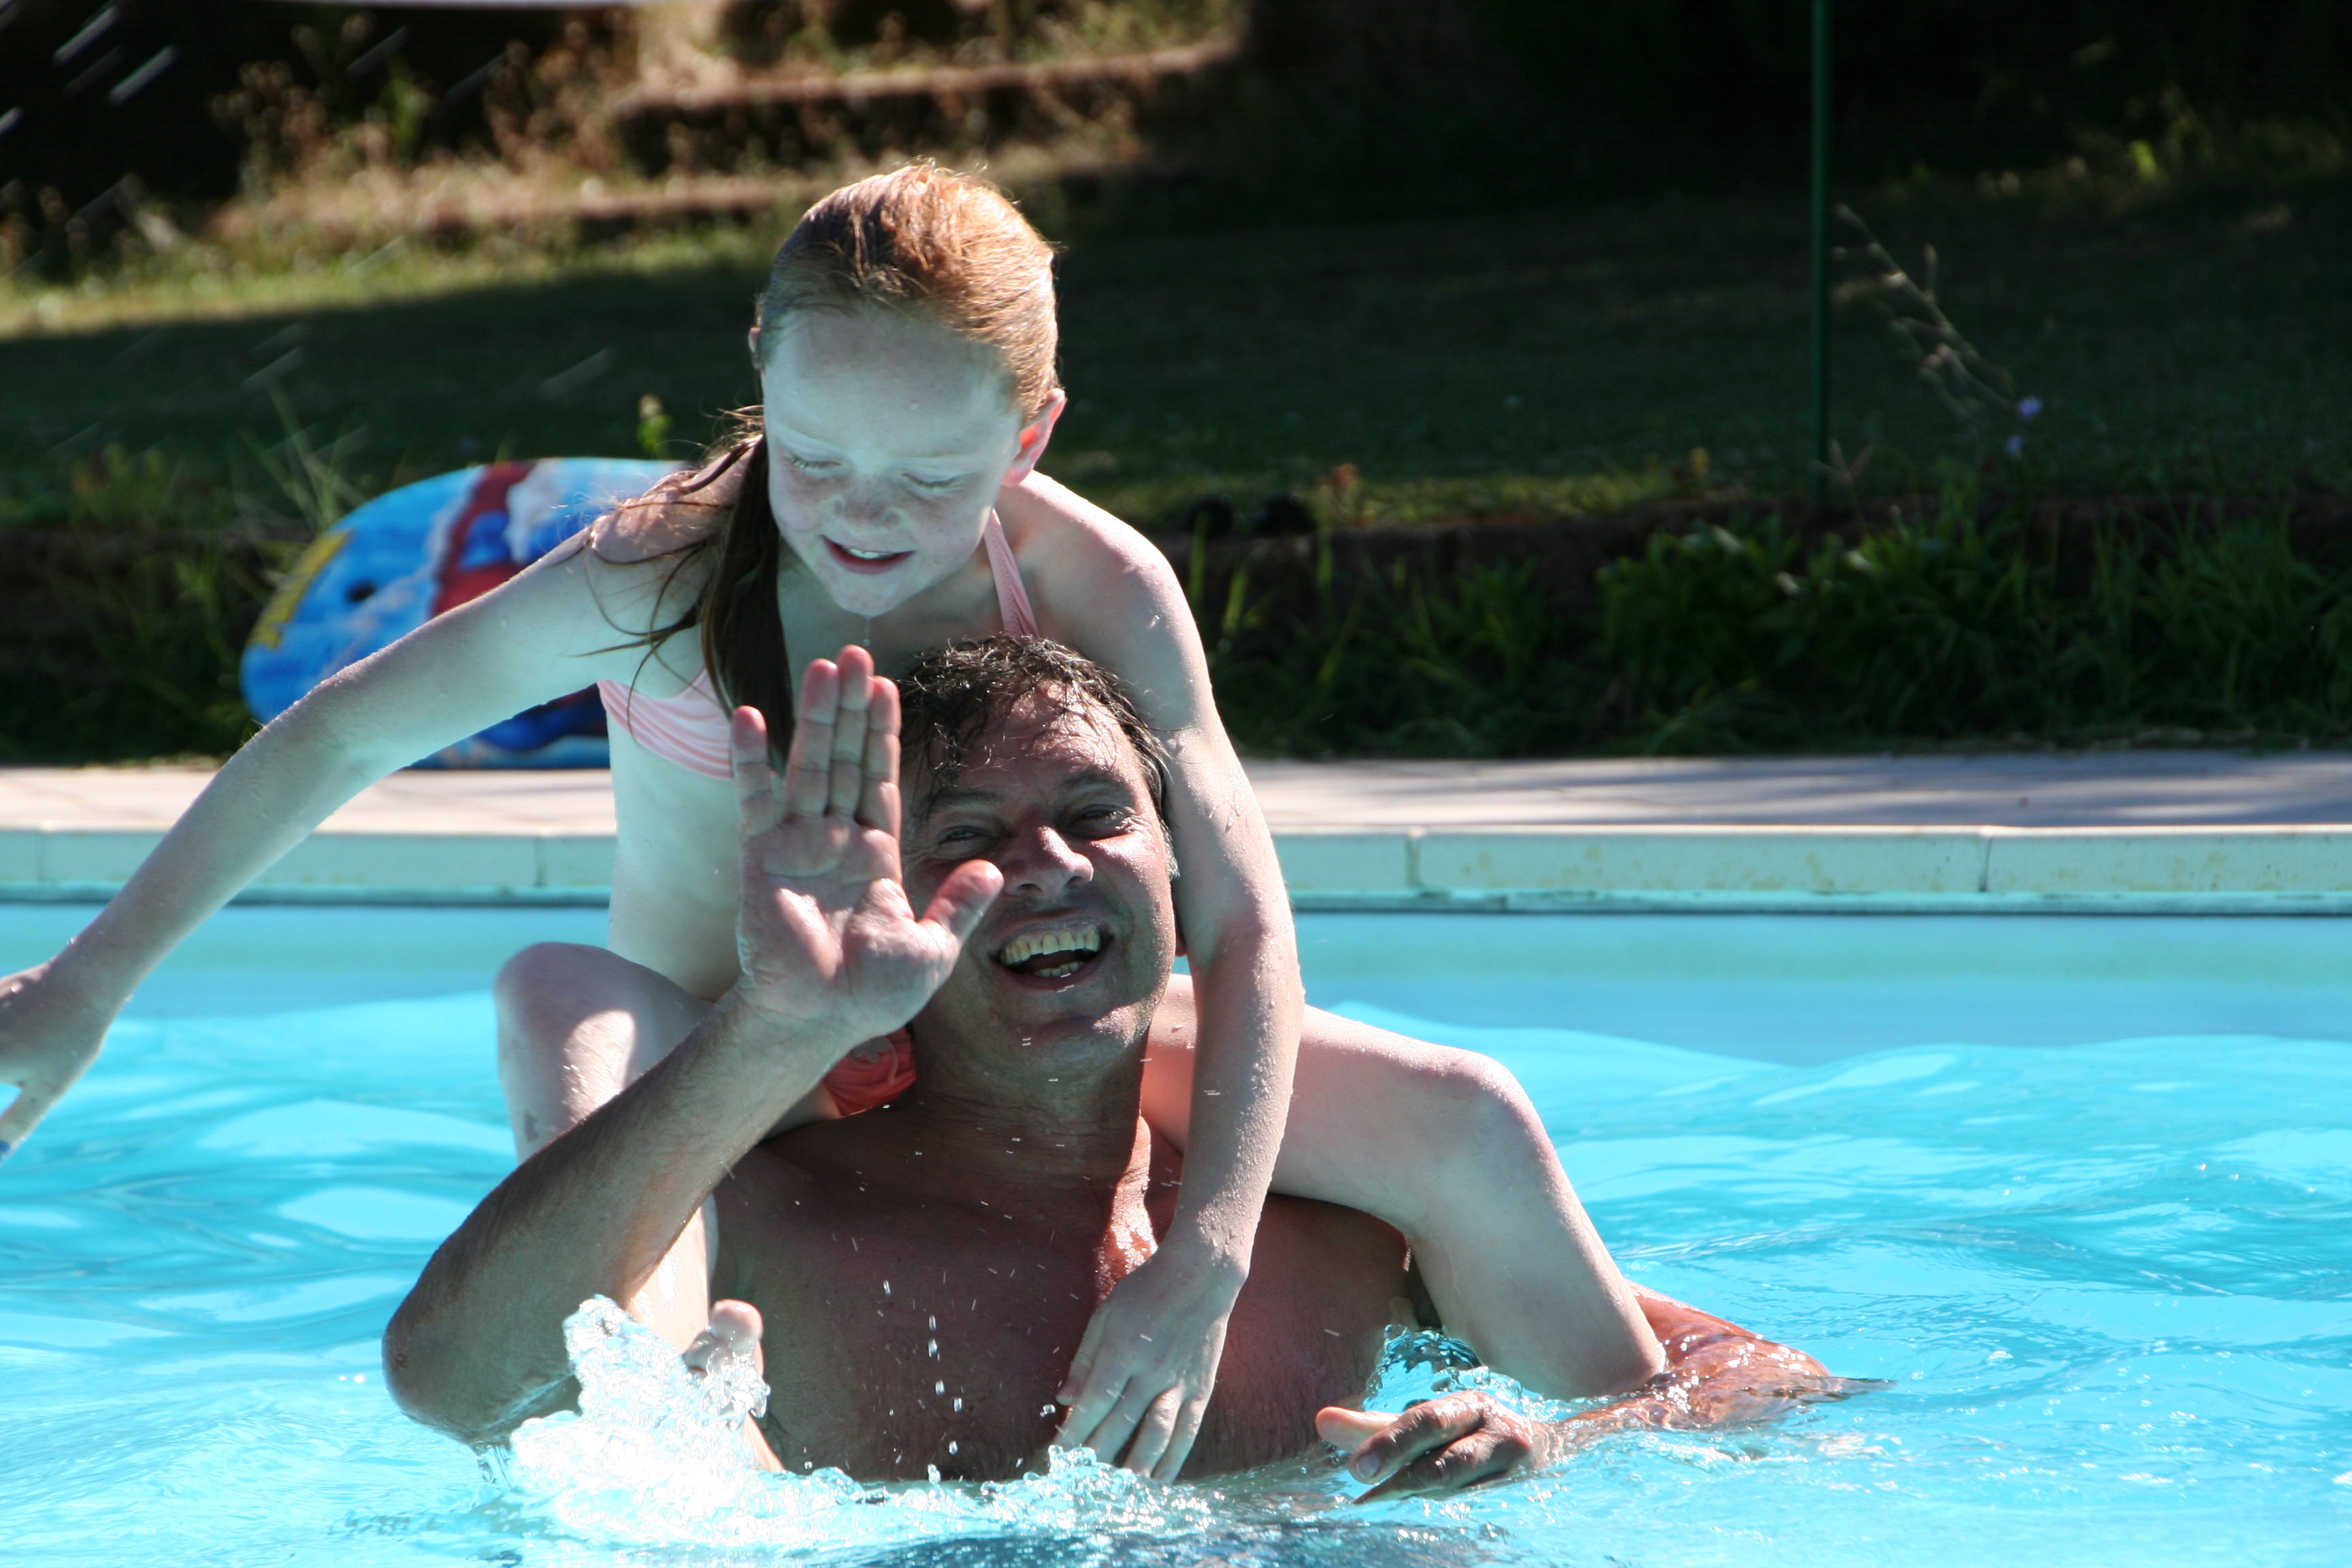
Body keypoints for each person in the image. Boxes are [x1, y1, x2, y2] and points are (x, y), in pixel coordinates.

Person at [0, 163, 1652, 1480]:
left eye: (933, 480)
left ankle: (1562, 1382)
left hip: (1009, 1040)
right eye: (816, 462)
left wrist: (1208, 1250)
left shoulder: (1092, 584)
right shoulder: (656, 577)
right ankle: (658, 1401)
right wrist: (83, 997)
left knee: (1455, 1111)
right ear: (761, 394)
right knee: (566, 997)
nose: (867, 521)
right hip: (739, 1054)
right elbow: (336, 738)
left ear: (1034, 432)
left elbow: (1241, 913)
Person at [385, 637, 1843, 1489]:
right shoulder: (761, 1221)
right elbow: (455, 1386)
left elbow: (1747, 1392)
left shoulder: (1353, 1215)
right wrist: (779, 1024)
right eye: (969, 838)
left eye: (1096, 813)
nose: (1051, 869)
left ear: (1175, 861)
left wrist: (1537, 1451)